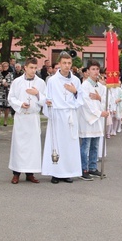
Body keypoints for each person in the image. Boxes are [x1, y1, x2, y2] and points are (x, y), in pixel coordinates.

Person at [42, 52, 82, 183]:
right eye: (64, 63)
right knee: (56, 143)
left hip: (70, 114)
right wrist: (48, 104)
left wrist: (74, 91)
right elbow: (48, 97)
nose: (67, 66)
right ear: (59, 63)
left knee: (69, 145)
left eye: (69, 63)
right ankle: (55, 173)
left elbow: (81, 98)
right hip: (57, 114)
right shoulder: (52, 80)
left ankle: (67, 172)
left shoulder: (75, 80)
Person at [8, 57, 47, 184]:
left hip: (33, 117)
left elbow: (45, 99)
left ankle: (30, 173)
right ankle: (16, 173)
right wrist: (20, 104)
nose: (33, 70)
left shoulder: (40, 82)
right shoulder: (17, 82)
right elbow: (11, 97)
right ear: (25, 67)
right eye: (31, 67)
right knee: (19, 146)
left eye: (35, 68)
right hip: (21, 117)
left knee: (33, 146)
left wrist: (37, 93)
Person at [77, 60, 108, 180]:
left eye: (97, 69)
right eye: (93, 69)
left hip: (98, 120)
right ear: (88, 71)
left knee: (95, 145)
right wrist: (99, 113)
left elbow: (106, 100)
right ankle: (83, 169)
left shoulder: (101, 87)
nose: (95, 72)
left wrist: (99, 98)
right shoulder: (84, 86)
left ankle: (93, 167)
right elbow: (86, 104)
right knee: (86, 145)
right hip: (88, 119)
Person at [0, 62, 14, 126]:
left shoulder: (10, 74)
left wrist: (7, 84)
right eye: (4, 66)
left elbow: (12, 83)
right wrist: (1, 83)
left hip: (7, 92)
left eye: (6, 66)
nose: (5, 67)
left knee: (7, 107)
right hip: (0, 92)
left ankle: (5, 121)